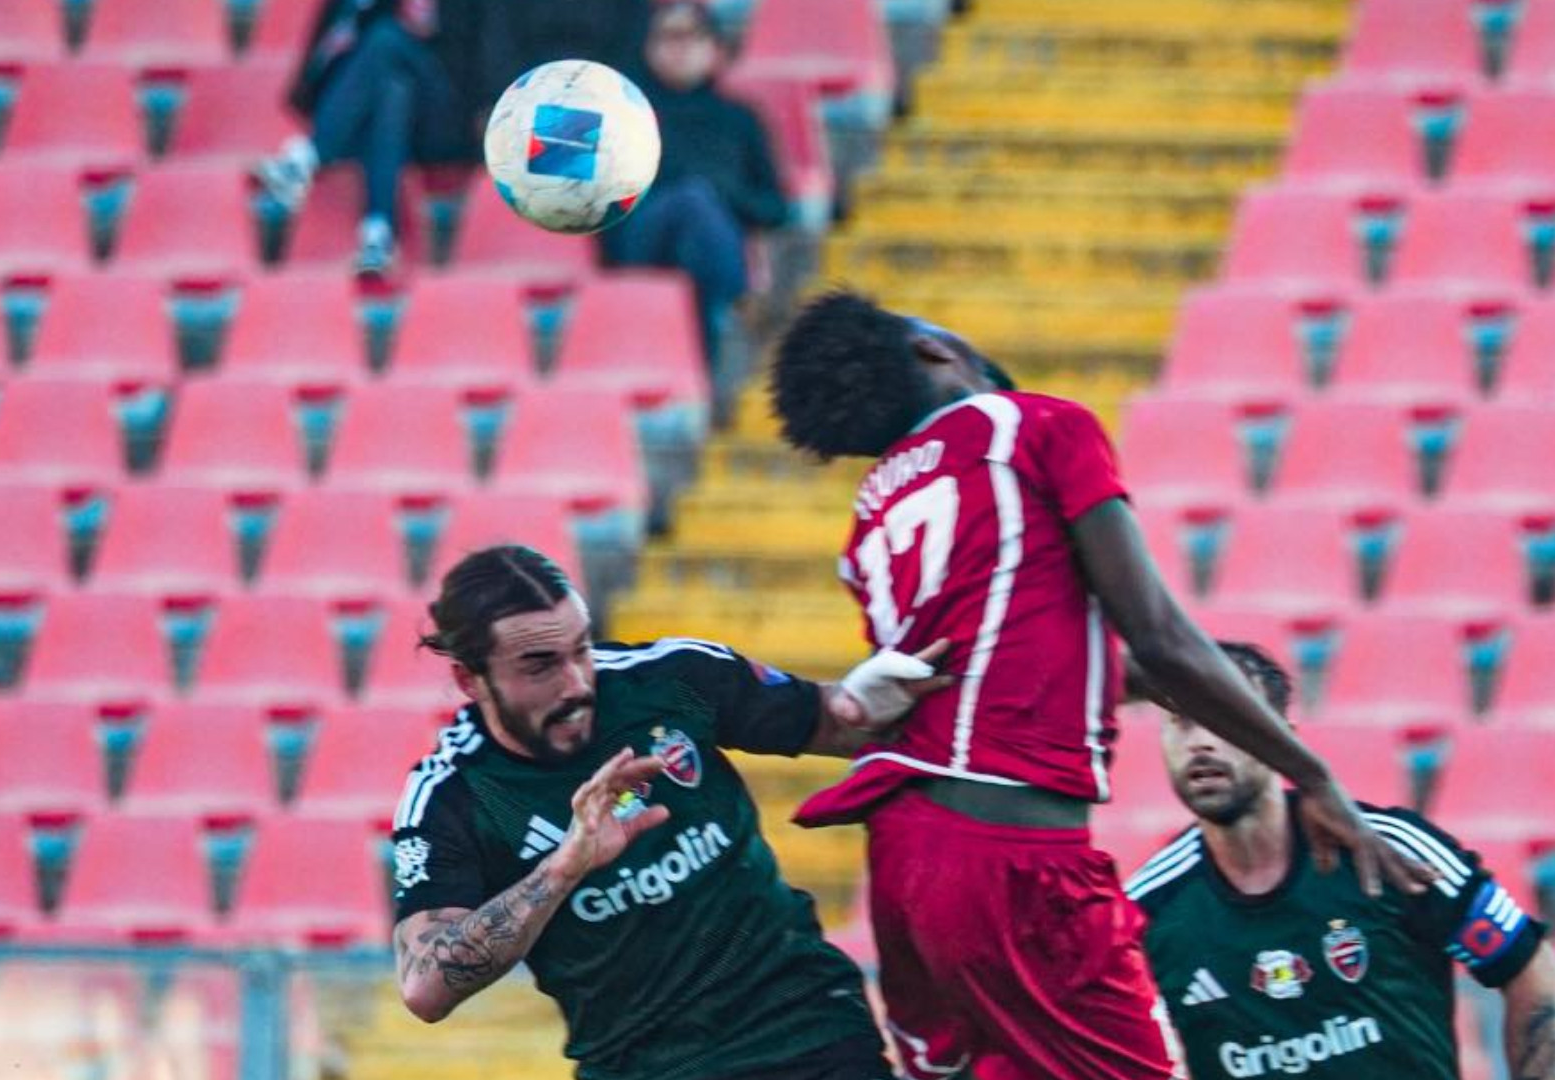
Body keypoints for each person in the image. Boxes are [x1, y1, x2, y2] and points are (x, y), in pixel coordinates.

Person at [767, 292, 1434, 1080]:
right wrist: (1312, 777)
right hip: (1013, 863)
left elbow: (1039, 666)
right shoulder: (1034, 427)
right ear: (932, 349)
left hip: (904, 862)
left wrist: (1195, 689)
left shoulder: (871, 520)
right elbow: (1159, 635)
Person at [389, 544, 948, 1080]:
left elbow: (833, 724)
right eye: (540, 666)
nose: (577, 684)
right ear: (469, 679)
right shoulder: (454, 794)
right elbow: (425, 987)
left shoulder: (671, 678)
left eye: (581, 649)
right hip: (645, 1065)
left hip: (807, 1028)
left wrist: (865, 703)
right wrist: (563, 868)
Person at [1127, 642, 1555, 1080]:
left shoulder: (1387, 849)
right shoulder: (1144, 912)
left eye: (1224, 717)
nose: (1200, 742)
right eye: (1181, 722)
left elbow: (1530, 970)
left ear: (1282, 741)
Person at [606, 0, 789, 414]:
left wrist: (721, 193)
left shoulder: (740, 118)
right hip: (644, 241)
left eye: (690, 37)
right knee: (691, 201)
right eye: (667, 37)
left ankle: (701, 387)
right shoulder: (629, 117)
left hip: (710, 243)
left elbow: (775, 208)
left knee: (698, 214)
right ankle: (738, 306)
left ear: (715, 48)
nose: (679, 48)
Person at [256, 0, 520, 275]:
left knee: (385, 38)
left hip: (448, 116)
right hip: (387, 117)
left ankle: (308, 157)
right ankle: (378, 234)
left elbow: (491, 53)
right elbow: (329, 51)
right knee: (393, 91)